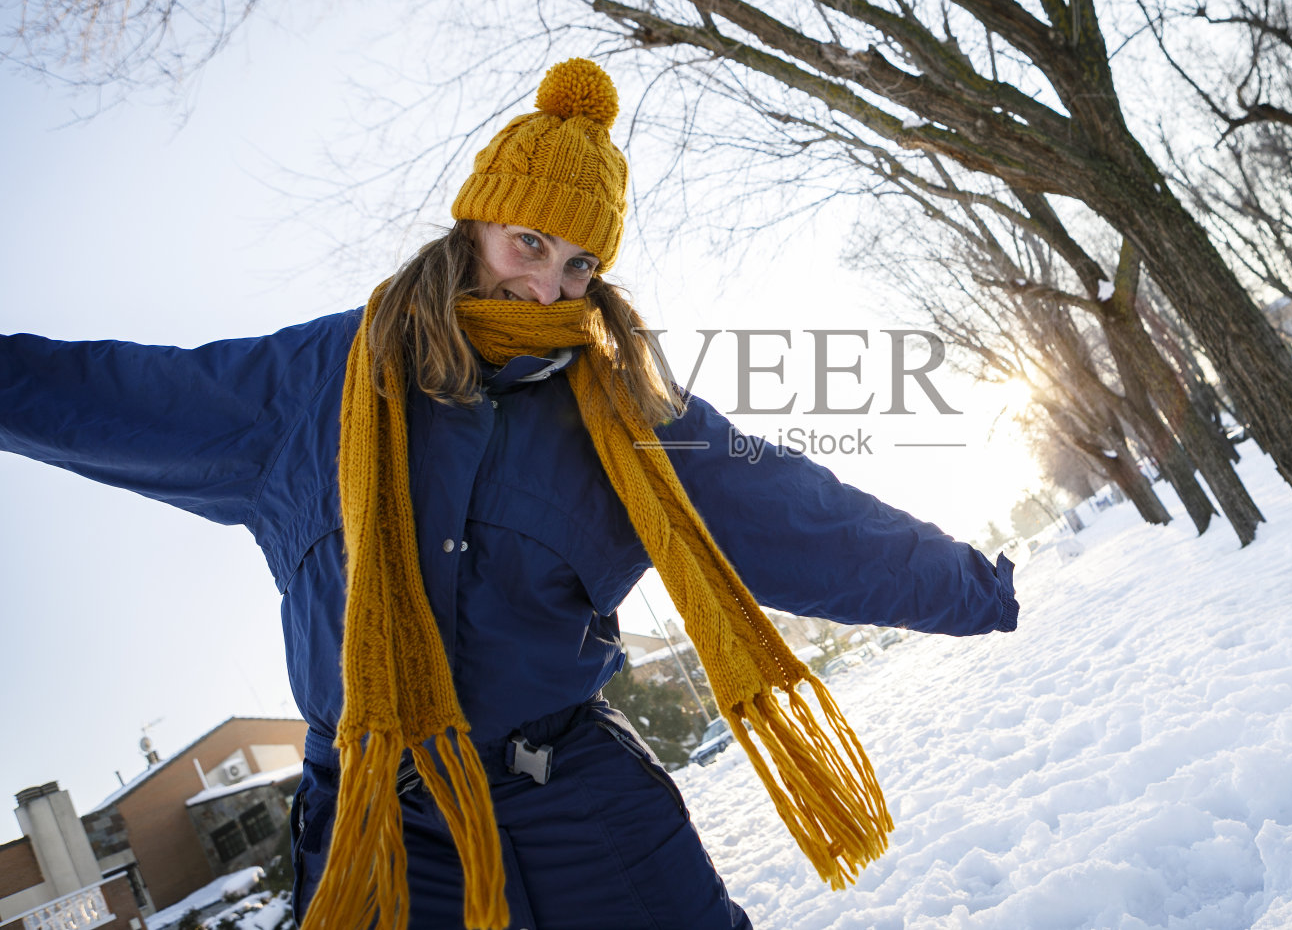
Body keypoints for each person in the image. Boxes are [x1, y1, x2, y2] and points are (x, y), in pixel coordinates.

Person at [0, 58, 1018, 929]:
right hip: (381, 836)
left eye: (580, 263)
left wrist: (980, 587)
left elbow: (805, 518)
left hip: (580, 806)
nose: (547, 287)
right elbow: (110, 394)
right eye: (529, 243)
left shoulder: (625, 408)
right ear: (475, 222)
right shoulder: (314, 384)